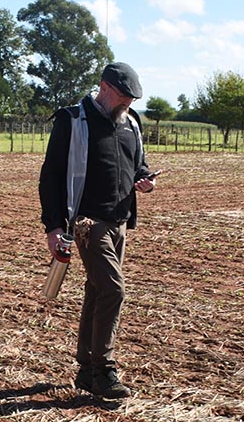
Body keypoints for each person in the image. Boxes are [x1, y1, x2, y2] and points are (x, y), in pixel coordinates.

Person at [38, 62, 157, 399]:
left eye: (132, 99)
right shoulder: (72, 120)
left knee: (97, 291)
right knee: (113, 291)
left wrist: (144, 181)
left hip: (120, 221)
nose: (128, 104)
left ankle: (86, 369)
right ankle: (104, 367)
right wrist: (54, 226)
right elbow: (50, 176)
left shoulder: (130, 124)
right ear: (104, 88)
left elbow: (138, 167)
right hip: (87, 223)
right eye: (123, 96)